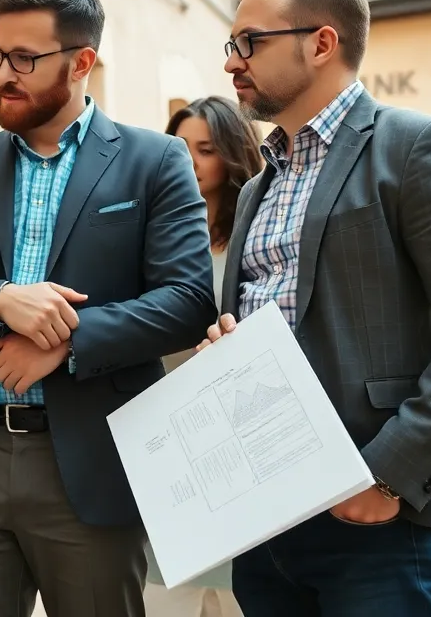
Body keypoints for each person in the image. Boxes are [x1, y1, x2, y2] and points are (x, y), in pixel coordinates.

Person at [197, 0, 431, 616]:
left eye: (249, 43)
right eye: (230, 46)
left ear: (321, 43)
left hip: (380, 521)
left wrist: (388, 475)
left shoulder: (415, 148)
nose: (232, 63)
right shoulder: (259, 188)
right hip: (266, 523)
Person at [0, 0, 217, 617]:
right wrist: (0, 299)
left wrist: (65, 344)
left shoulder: (156, 160)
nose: (4, 74)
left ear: (82, 62)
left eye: (25, 59)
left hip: (91, 460)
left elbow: (187, 300)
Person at [142, 96, 263, 617]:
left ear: (233, 156)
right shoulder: (149, 240)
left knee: (242, 594)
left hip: (243, 442)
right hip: (163, 444)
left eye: (207, 149)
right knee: (163, 593)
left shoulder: (256, 240)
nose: (190, 159)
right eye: (180, 147)